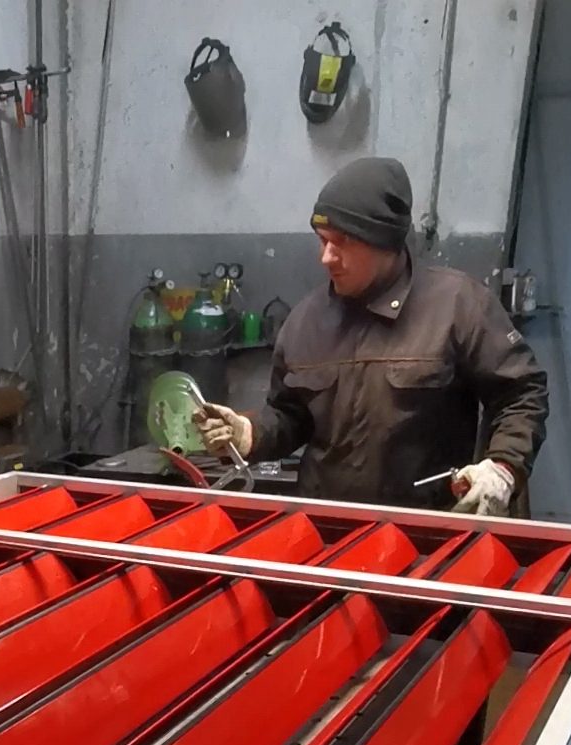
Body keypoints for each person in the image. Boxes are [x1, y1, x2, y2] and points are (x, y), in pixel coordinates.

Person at [196, 157, 548, 515]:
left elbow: (522, 394)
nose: (326, 257)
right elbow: (290, 416)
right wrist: (248, 432)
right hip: (327, 528)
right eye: (322, 241)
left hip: (425, 530)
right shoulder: (306, 321)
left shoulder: (458, 305)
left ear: (386, 244)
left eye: (342, 242)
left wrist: (502, 467)